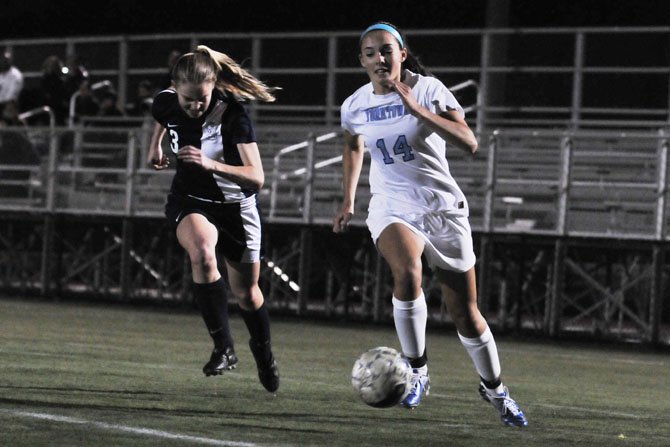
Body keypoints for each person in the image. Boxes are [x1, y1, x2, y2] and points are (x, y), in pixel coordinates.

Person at [332, 22, 528, 427]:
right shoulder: (355, 104)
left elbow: (469, 142)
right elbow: (352, 143)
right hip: (391, 205)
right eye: (370, 53)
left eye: (387, 50)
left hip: (442, 208)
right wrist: (349, 198)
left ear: (402, 53)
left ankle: (495, 389)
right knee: (407, 270)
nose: (379, 58)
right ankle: (416, 370)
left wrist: (417, 110)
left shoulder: (429, 90)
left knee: (466, 314)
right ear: (362, 61)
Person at [147, 45, 279, 393]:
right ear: (175, 89)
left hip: (236, 206)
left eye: (201, 99)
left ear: (214, 87)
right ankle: (224, 347)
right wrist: (156, 146)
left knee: (248, 294)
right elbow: (162, 117)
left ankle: (263, 353)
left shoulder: (233, 115)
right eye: (187, 99)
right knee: (203, 253)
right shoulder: (166, 101)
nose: (194, 106)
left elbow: (257, 177)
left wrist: (211, 163)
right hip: (190, 199)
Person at [0, 51, 23, 119]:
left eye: (5, 60)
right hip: (1, 103)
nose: (2, 62)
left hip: (10, 104)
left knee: (9, 107)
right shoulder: (1, 74)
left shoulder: (15, 75)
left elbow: (11, 95)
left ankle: (19, 126)